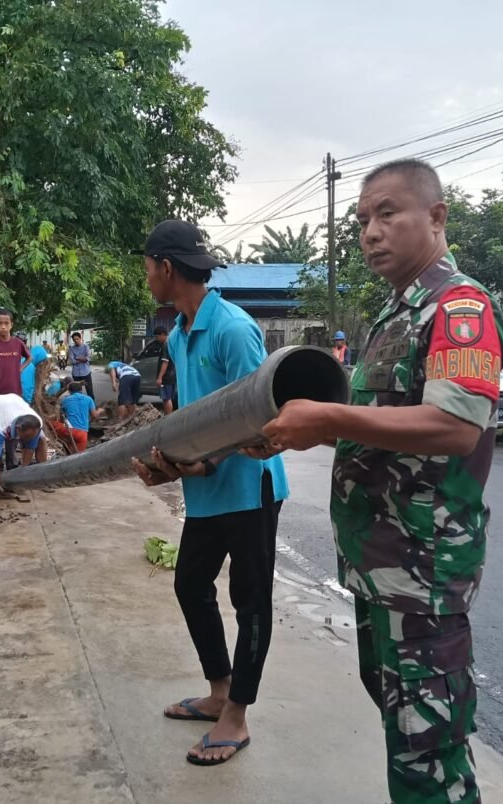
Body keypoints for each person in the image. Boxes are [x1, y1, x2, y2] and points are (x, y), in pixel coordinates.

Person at [245, 160, 503, 803]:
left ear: (437, 217)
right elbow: (382, 429)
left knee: (428, 759)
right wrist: (300, 431)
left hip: (423, 574)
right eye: (363, 219)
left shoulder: (459, 307)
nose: (370, 231)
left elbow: (454, 426)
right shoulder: (396, 314)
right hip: (381, 568)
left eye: (388, 213)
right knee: (405, 732)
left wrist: (328, 417)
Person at [130, 219, 289, 767]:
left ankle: (237, 716)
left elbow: (261, 418)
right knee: (190, 584)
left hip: (248, 488)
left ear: (166, 267)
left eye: (147, 267)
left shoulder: (233, 329)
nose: (146, 277)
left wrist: (206, 462)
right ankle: (219, 691)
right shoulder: (179, 333)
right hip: (207, 490)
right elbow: (196, 417)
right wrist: (171, 464)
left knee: (250, 599)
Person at [50, 382, 103, 452]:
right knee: (77, 455)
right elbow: (94, 415)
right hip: (82, 434)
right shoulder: (89, 399)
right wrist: (100, 411)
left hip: (68, 431)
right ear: (81, 390)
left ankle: (59, 444)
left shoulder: (64, 401)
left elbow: (61, 418)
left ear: (69, 391)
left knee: (50, 422)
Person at [18, 333, 50, 405]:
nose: (42, 365)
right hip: (22, 401)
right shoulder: (29, 365)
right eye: (42, 361)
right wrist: (28, 402)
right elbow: (26, 387)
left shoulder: (23, 361)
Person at [152, 325, 176, 414]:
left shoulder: (166, 346)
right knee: (168, 398)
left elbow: (165, 362)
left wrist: (159, 378)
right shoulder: (172, 343)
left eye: (157, 337)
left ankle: (168, 418)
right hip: (172, 375)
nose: (156, 339)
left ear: (163, 335)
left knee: (166, 398)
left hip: (166, 377)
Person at [67, 332, 94, 399]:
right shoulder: (71, 349)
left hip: (86, 372)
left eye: (77, 339)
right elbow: (72, 360)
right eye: (74, 340)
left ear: (80, 338)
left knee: (90, 391)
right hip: (76, 374)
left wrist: (77, 358)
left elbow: (88, 358)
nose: (76, 341)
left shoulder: (85, 347)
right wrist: (82, 359)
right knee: (77, 392)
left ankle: (92, 404)